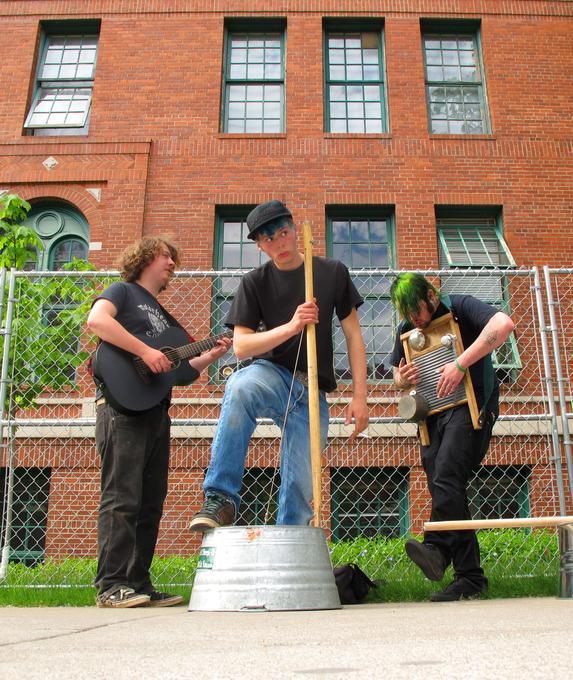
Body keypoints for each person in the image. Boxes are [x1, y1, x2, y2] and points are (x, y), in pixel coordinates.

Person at [189, 200, 369, 531]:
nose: (278, 244)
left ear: (295, 229)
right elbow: (242, 346)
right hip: (269, 375)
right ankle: (220, 499)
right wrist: (292, 326)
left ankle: (290, 555)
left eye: (283, 233)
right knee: (240, 386)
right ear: (259, 245)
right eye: (268, 240)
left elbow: (354, 335)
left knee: (302, 486)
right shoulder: (254, 282)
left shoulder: (330, 273)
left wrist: (360, 397)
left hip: (312, 390)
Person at [87, 236, 231, 608]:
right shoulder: (121, 291)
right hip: (121, 408)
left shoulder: (164, 318)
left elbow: (179, 374)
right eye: (166, 256)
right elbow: (97, 320)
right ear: (145, 258)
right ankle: (111, 586)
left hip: (155, 411)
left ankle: (138, 583)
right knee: (122, 498)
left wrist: (210, 355)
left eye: (173, 258)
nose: (171, 263)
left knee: (150, 501)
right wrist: (146, 351)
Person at [388, 273, 515, 601]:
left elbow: (503, 325)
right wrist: (402, 379)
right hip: (430, 418)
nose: (414, 319)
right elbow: (395, 375)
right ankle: (470, 578)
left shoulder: (460, 307)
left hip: (470, 410)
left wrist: (459, 363)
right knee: (445, 487)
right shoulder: (407, 331)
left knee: (446, 476)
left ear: (431, 294)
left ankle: (438, 548)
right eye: (407, 314)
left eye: (417, 309)